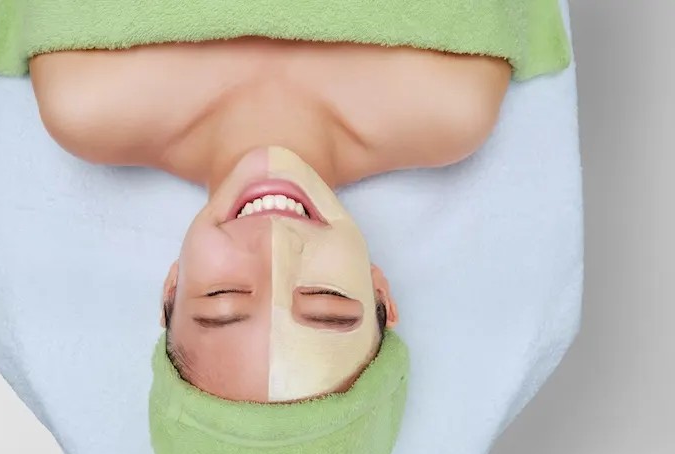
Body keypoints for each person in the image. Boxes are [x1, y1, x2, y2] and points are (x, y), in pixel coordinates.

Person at [27, 38, 512, 402]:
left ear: (172, 288)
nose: (275, 242)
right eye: (325, 301)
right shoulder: (452, 97)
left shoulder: (85, 95)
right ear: (378, 292)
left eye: (223, 298)